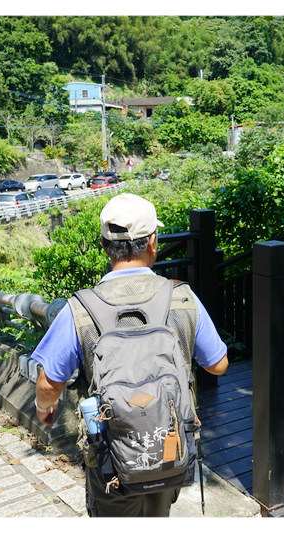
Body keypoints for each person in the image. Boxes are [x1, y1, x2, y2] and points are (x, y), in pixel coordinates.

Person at [31, 193, 228, 517]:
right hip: (168, 447)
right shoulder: (182, 298)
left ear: (104, 245)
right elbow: (218, 365)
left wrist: (43, 410)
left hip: (110, 460)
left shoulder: (79, 309)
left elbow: (49, 384)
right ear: (153, 242)